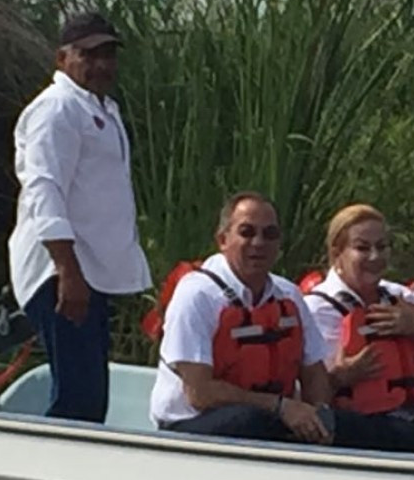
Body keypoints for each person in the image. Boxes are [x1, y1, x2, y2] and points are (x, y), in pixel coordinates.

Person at [149, 191, 393, 448]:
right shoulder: (197, 295)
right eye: (247, 232)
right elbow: (200, 393)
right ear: (223, 240)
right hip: (191, 428)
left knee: (362, 427)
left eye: (270, 234)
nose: (258, 242)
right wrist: (280, 407)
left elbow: (314, 377)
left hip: (272, 418)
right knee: (251, 421)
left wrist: (318, 416)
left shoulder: (288, 296)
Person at [7, 11, 152, 423]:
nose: (101, 65)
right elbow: (43, 189)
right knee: (78, 400)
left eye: (108, 54)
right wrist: (66, 270)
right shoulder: (56, 109)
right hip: (62, 270)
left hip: (87, 271)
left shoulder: (101, 109)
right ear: (62, 58)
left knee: (89, 397)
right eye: (89, 55)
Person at [303, 204, 414, 453]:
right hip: (355, 425)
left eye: (382, 247)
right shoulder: (316, 309)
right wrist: (341, 377)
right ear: (337, 252)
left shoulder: (402, 298)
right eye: (362, 248)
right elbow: (307, 395)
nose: (375, 256)